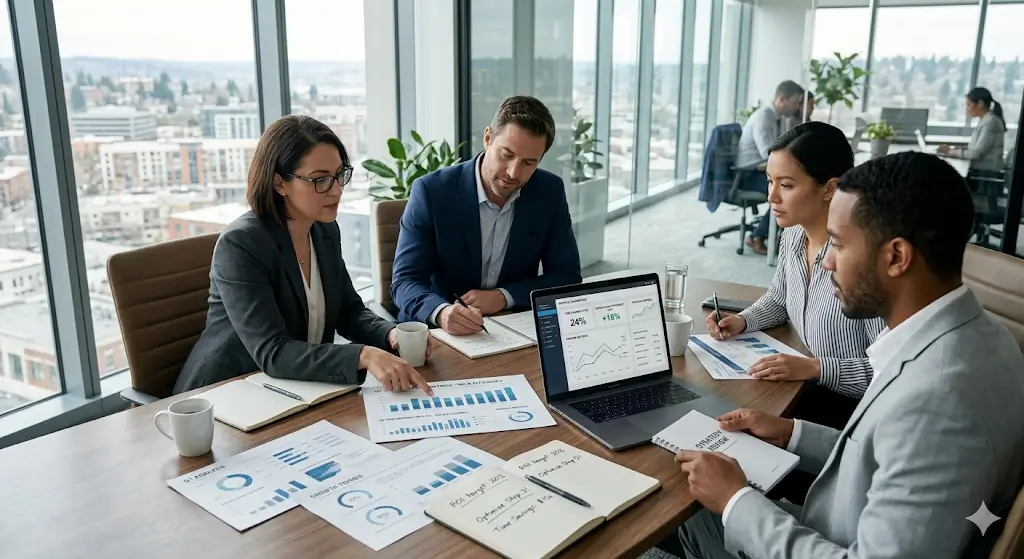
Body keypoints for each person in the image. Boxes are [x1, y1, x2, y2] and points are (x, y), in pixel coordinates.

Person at [674, 151, 1024, 559]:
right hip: (850, 521)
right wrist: (792, 433)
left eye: (838, 244)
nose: (827, 264)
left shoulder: (938, 401)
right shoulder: (987, 335)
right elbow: (891, 456)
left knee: (691, 512)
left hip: (834, 539)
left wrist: (735, 500)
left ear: (896, 257)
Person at [174, 115, 433, 395]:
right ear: (279, 183)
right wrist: (363, 356)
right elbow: (272, 351)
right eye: (320, 179)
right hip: (226, 393)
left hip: (295, 388)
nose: (336, 190)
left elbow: (348, 310)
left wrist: (390, 334)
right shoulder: (241, 245)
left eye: (339, 174)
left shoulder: (324, 230)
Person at [706, 122, 885, 427]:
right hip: (807, 387)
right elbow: (779, 299)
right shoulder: (793, 235)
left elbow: (888, 374)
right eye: (769, 181)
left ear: (829, 188)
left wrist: (815, 368)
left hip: (858, 414)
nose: (771, 197)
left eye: (786, 185)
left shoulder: (864, 259)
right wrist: (743, 320)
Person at [391, 95, 582, 334]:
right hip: (438, 330)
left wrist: (503, 297)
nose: (513, 172)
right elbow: (404, 281)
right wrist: (440, 312)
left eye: (528, 163)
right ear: (488, 138)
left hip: (511, 327)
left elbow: (567, 275)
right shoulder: (432, 192)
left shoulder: (549, 192)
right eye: (507, 155)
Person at [737, 81, 810, 254]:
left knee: (796, 188)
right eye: (796, 102)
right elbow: (768, 154)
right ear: (782, 100)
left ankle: (779, 238)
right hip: (749, 175)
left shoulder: (778, 118)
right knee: (788, 192)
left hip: (764, 172)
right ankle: (757, 236)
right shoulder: (764, 117)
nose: (797, 106)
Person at [938, 87, 1006, 173]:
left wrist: (950, 152)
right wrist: (952, 150)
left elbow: (977, 154)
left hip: (985, 175)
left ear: (980, 103)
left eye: (968, 104)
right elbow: (973, 148)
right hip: (979, 172)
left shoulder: (991, 123)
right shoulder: (986, 120)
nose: (967, 108)